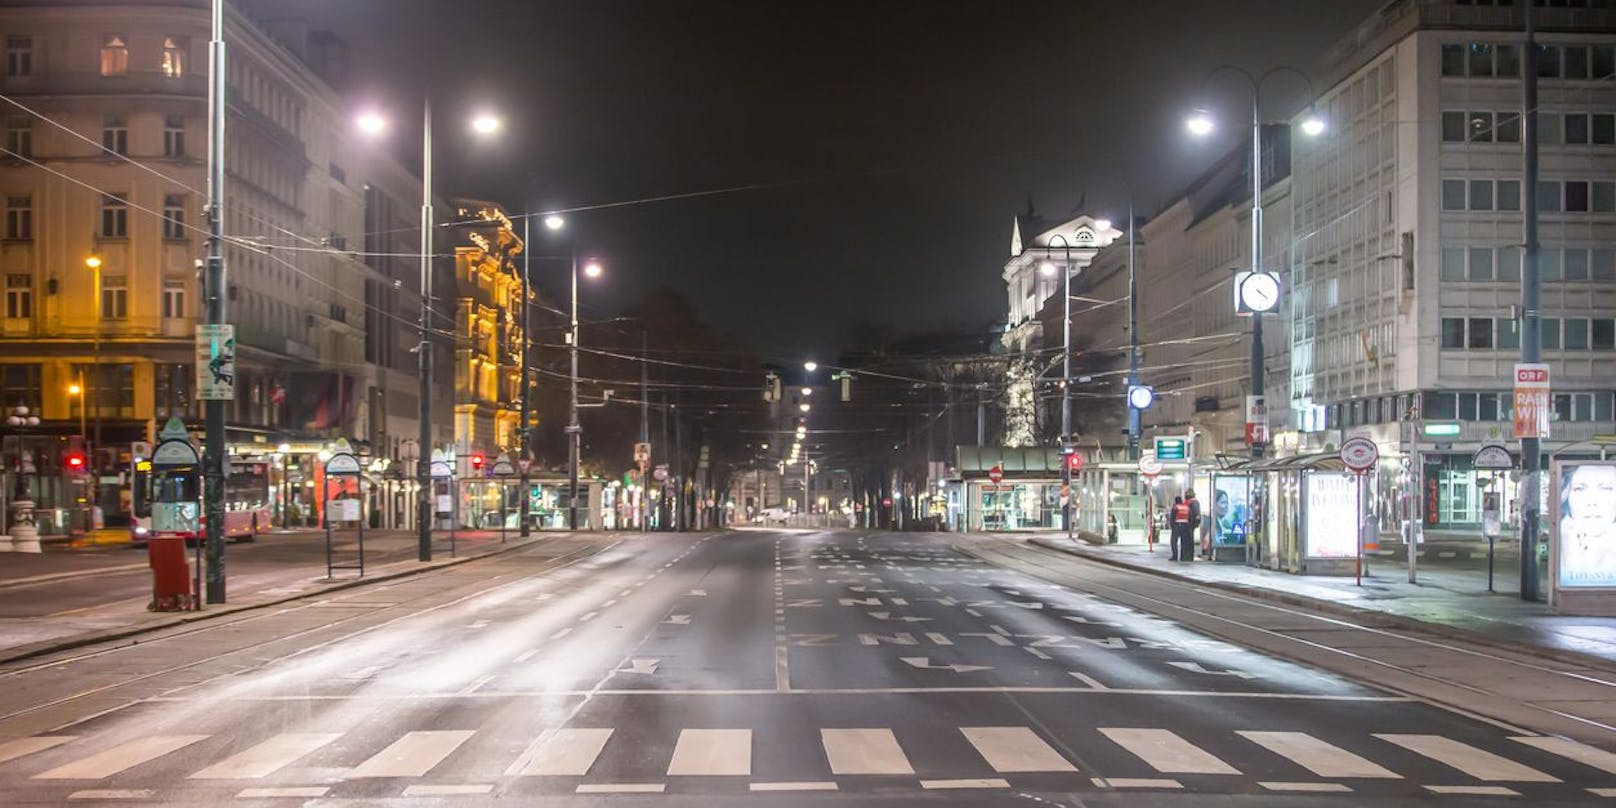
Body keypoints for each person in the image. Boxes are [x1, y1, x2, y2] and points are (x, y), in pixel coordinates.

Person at [1559, 464, 1616, 586]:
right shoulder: (1562, 541)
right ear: (1566, 496)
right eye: (1579, 489)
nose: (1592, 501)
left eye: (1606, 489)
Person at [1170, 495, 1191, 561]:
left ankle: (1175, 556)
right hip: (1185, 526)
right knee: (1184, 542)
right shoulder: (1186, 507)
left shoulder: (1175, 507)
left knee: (1173, 541)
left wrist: (1172, 526)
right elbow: (1190, 517)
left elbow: (1172, 517)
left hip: (1177, 525)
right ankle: (1183, 557)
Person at [1183, 489, 1201, 562]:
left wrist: (1195, 523)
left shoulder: (1194, 502)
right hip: (1188, 524)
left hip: (1190, 524)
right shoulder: (1190, 502)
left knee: (1189, 540)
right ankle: (1187, 555)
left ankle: (1189, 556)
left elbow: (1196, 514)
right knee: (1187, 540)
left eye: (1186, 494)